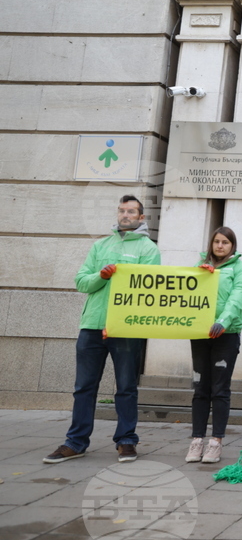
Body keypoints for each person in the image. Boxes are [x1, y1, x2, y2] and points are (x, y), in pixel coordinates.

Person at [44, 195, 161, 464]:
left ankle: (126, 441)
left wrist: (119, 322)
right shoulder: (100, 245)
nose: (125, 215)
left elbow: (148, 291)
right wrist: (101, 276)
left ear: (141, 217)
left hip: (125, 329)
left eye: (131, 211)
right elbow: (81, 282)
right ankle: (75, 442)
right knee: (84, 387)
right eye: (122, 210)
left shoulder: (148, 250)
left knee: (126, 387)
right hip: (92, 326)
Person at [186, 226, 242, 464]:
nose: (220, 246)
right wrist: (202, 274)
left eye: (225, 242)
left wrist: (223, 321)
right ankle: (196, 440)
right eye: (216, 241)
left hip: (226, 334)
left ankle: (216, 441)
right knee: (200, 388)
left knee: (219, 388)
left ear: (232, 245)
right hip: (200, 334)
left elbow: (238, 297)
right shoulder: (201, 267)